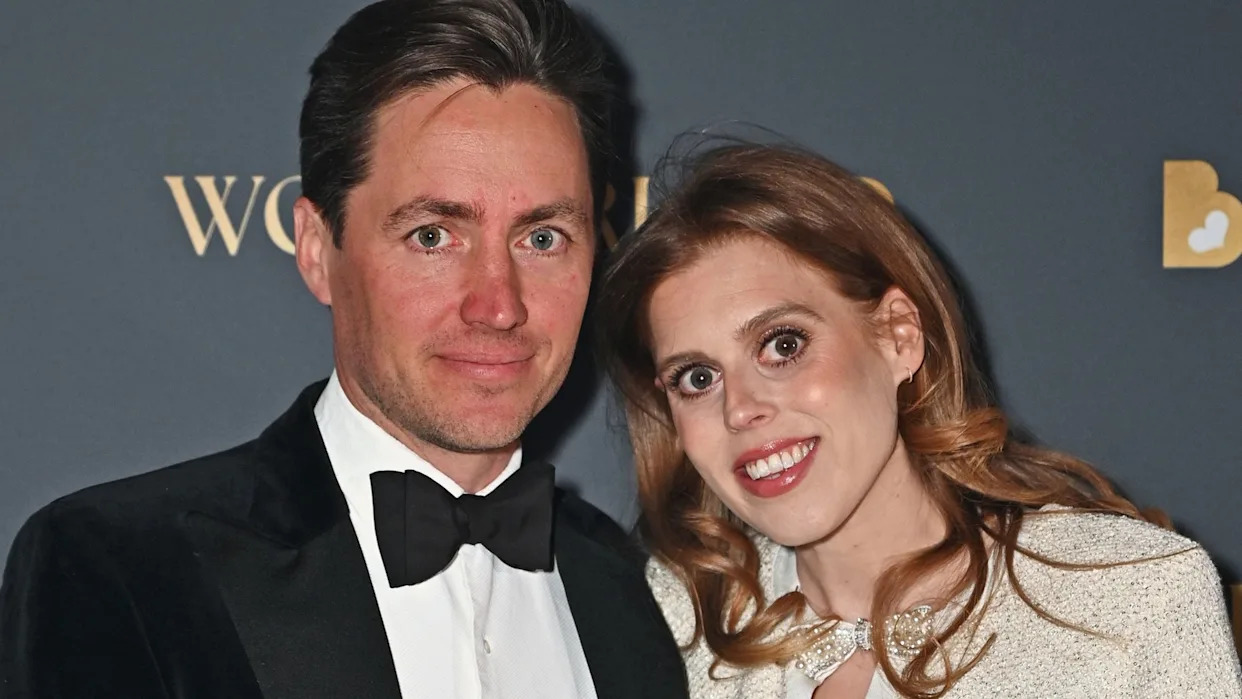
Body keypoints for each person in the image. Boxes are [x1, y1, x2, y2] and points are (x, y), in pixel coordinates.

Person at [0, 1, 688, 698]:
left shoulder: (633, 591)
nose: (498, 305)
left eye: (541, 239)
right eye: (432, 236)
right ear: (315, 249)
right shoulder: (122, 571)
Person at [596, 142, 1242, 698]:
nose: (741, 408)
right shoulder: (672, 619)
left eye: (783, 344)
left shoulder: (1130, 599)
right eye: (697, 378)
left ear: (899, 336)